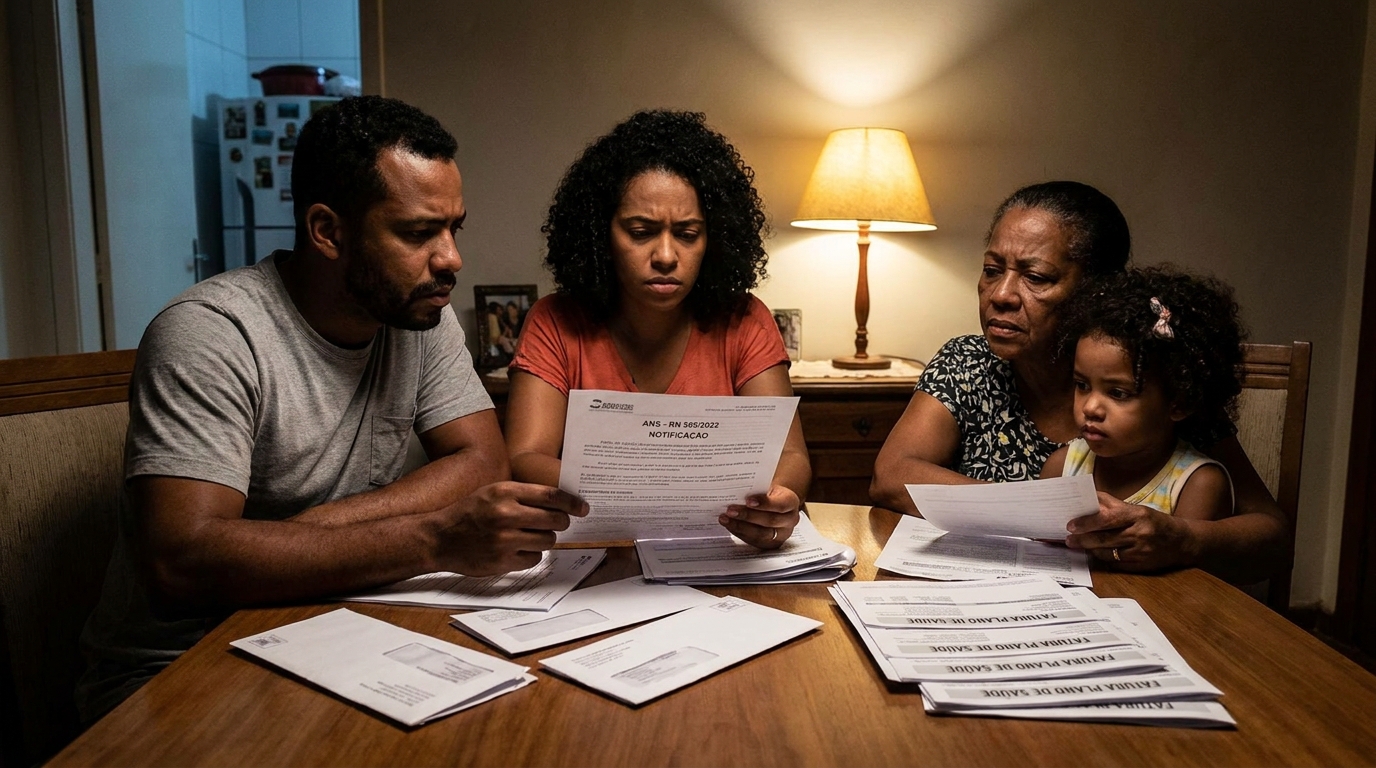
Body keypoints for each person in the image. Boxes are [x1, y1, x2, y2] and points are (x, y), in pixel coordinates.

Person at [76, 96, 586, 721]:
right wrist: (432, 537)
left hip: (338, 626)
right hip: (179, 665)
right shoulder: (211, 335)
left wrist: (302, 535)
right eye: (419, 232)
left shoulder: (420, 316)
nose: (451, 258)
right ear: (327, 231)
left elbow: (481, 460)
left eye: (455, 228)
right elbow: (182, 563)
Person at [870, 181, 1289, 581]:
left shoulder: (1154, 377)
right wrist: (1040, 514)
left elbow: (1271, 538)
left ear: (1096, 290)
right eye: (992, 270)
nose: (1001, 294)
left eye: (1036, 277)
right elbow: (892, 475)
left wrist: (1184, 538)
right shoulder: (968, 361)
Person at [504, 110, 808, 549]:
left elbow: (791, 455)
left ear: (713, 239)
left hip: (716, 555)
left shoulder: (745, 319)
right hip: (592, 552)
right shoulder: (555, 320)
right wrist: (650, 491)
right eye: (641, 232)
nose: (665, 255)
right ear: (600, 235)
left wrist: (779, 501)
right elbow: (524, 457)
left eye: (687, 234)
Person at [1041, 267, 1245, 556]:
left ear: (1179, 403)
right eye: (1082, 385)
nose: (1090, 407)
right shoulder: (1062, 468)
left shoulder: (1198, 484)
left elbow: (1190, 585)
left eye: (1118, 393)